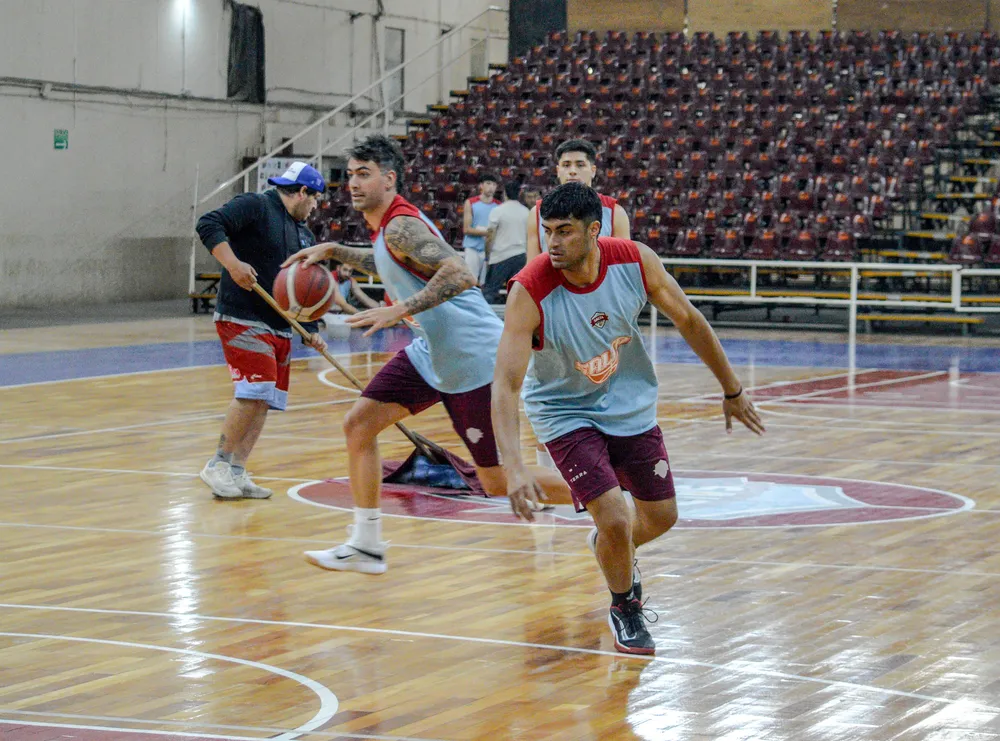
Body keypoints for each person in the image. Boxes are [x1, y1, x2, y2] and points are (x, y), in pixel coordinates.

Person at [492, 183, 765, 655]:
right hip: (563, 410)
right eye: (548, 232)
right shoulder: (530, 288)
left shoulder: (635, 260)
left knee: (662, 516)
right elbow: (505, 385)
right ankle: (625, 606)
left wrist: (732, 389)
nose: (553, 243)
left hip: (628, 402)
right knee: (617, 515)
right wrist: (514, 465)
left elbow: (690, 320)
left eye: (565, 231)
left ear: (594, 230)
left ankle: (610, 546)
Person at [282, 134, 571, 574]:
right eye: (351, 175)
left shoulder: (401, 225)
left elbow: (458, 273)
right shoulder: (388, 230)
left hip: (473, 358)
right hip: (432, 353)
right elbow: (393, 261)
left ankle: (614, 490)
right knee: (359, 424)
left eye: (365, 174)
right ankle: (366, 544)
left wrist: (402, 308)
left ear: (390, 178)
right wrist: (335, 251)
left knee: (497, 482)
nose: (354, 184)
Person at [196, 161, 329, 500]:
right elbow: (209, 223)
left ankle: (237, 471)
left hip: (280, 326)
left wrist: (310, 327)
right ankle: (217, 464)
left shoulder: (304, 235)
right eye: (314, 200)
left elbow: (301, 289)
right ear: (303, 192)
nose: (315, 208)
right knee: (254, 390)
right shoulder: (255, 205)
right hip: (242, 316)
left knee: (265, 398)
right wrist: (233, 264)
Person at [525, 139, 631, 261]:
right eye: (566, 165)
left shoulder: (615, 212)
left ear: (593, 171)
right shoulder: (537, 212)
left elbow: (623, 265)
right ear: (558, 171)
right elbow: (532, 267)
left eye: (580, 165)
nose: (572, 171)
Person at [481, 180, 530, 305]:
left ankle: (486, 322)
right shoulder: (526, 212)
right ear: (520, 193)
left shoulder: (498, 211)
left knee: (490, 291)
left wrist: (487, 256)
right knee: (515, 294)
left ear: (504, 194)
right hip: (520, 256)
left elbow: (490, 236)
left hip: (500, 256)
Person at [461, 173, 500, 285]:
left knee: (485, 284)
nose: (491, 187)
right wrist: (488, 232)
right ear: (481, 186)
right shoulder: (471, 203)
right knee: (469, 282)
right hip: (472, 248)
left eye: (493, 184)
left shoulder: (498, 206)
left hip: (490, 250)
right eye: (488, 183)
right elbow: (467, 229)